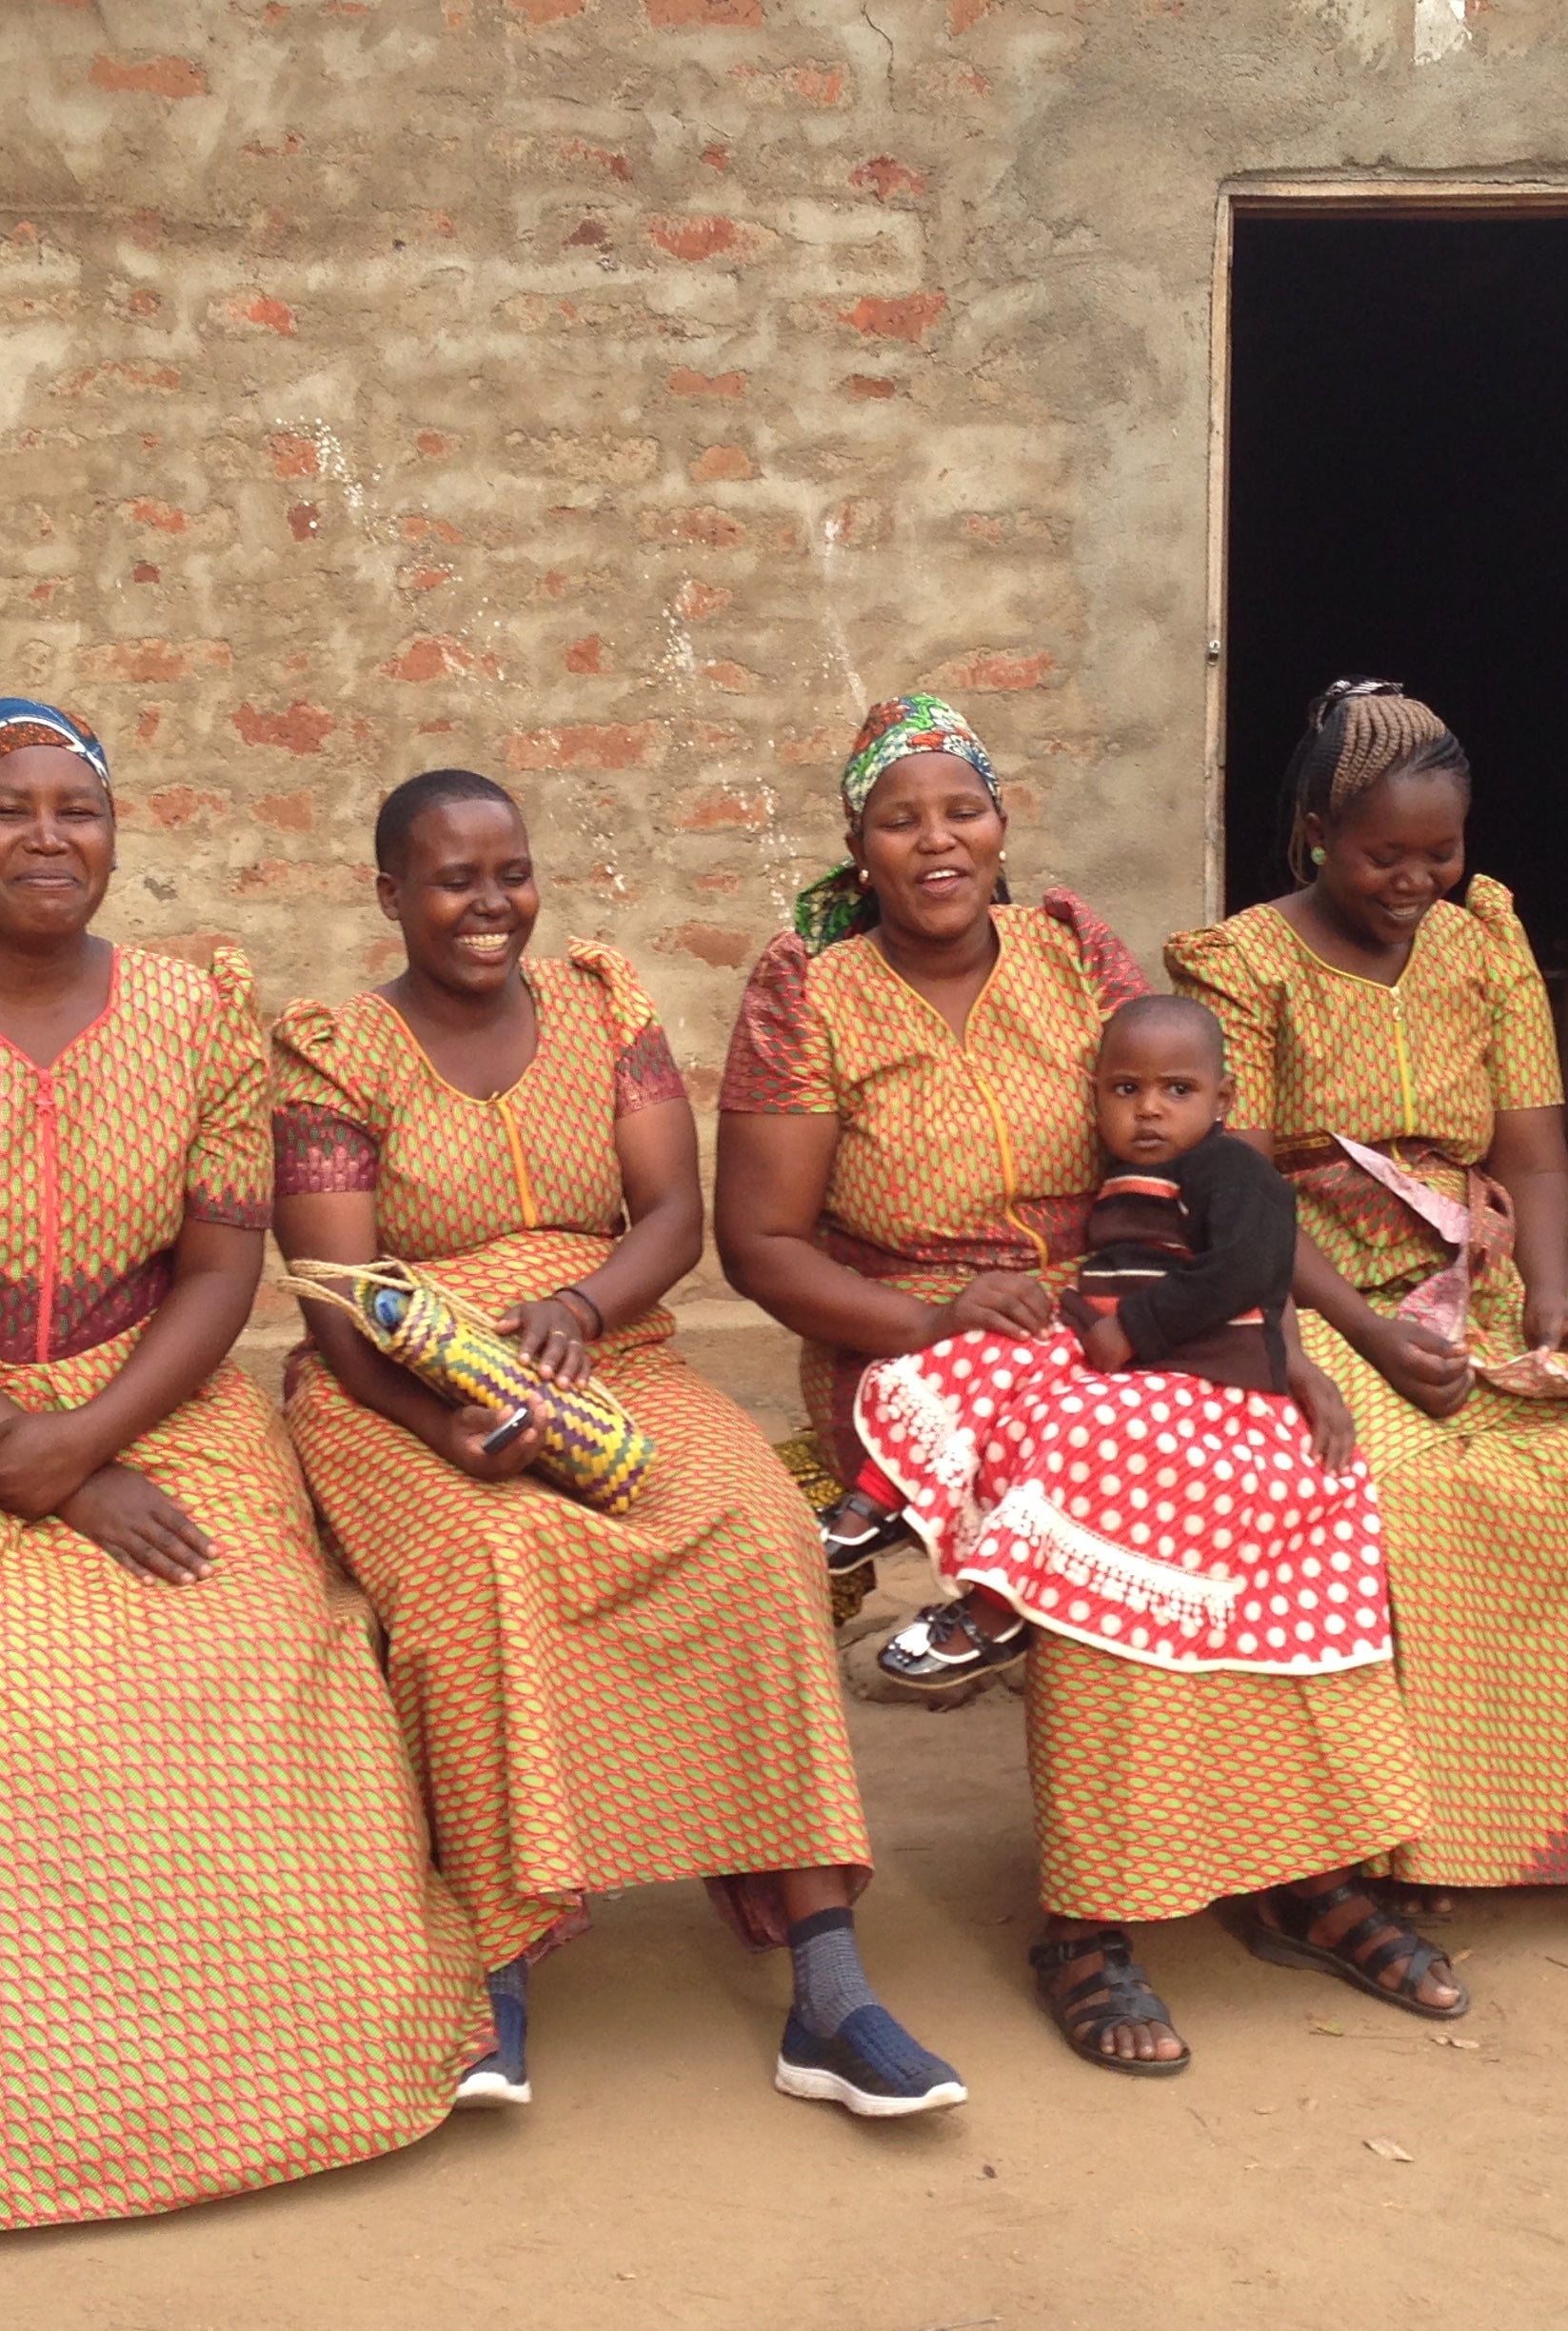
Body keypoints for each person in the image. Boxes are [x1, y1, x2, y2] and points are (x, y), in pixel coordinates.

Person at [0, 700, 488, 2238]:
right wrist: (17, 1452)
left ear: (115, 836)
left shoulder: (196, 1010)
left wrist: (92, 1437)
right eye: (9, 809)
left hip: (153, 1389)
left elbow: (218, 1269)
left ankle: (276, 2074)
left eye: (80, 809)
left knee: (244, 1637)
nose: (48, 837)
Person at [718, 693, 1443, 2080]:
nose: (938, 842)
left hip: (1129, 1311)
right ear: (856, 847)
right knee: (1122, 1494)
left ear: (1001, 823)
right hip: (926, 1341)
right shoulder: (810, 994)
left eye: (962, 809)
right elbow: (758, 1247)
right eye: (900, 818)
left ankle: (1303, 1862)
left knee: (1305, 1469)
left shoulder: (1070, 952)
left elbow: (1204, 1169)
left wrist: (1291, 1352)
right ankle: (1092, 1916)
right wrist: (928, 1312)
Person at [273, 767, 960, 2120]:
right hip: (400, 1394)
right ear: (390, 892)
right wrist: (447, 1424)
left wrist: (586, 1307)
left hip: (610, 1352)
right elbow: (342, 1306)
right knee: (487, 1564)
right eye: (454, 879)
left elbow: (670, 1215)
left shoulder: (601, 1004)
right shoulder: (334, 1051)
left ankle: (828, 1992)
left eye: (510, 872)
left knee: (760, 1538)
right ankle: (498, 1970)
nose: (491, 905)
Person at [1171, 680, 1568, 1915]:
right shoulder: (1242, 965)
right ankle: (1421, 1837)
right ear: (1314, 832)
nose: (1415, 880)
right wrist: (1365, 1336)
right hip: (1304, 1286)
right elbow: (1234, 1188)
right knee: (1417, 1492)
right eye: (1382, 854)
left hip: (1479, 1275)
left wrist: (1552, 1297)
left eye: (1441, 852)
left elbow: (1530, 1153)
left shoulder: (1487, 945)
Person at [851, 994, 1390, 1700]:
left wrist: (1135, 1329)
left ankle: (994, 1612)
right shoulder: (1134, 1175)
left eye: (1179, 1090)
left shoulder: (1232, 1170)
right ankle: (876, 1502)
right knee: (987, 1351)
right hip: (1130, 1362)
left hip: (1204, 1382)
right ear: (1096, 1094)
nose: (1150, 1110)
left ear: (1222, 1097)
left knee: (1081, 1435)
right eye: (1127, 1090)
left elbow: (1250, 1267)